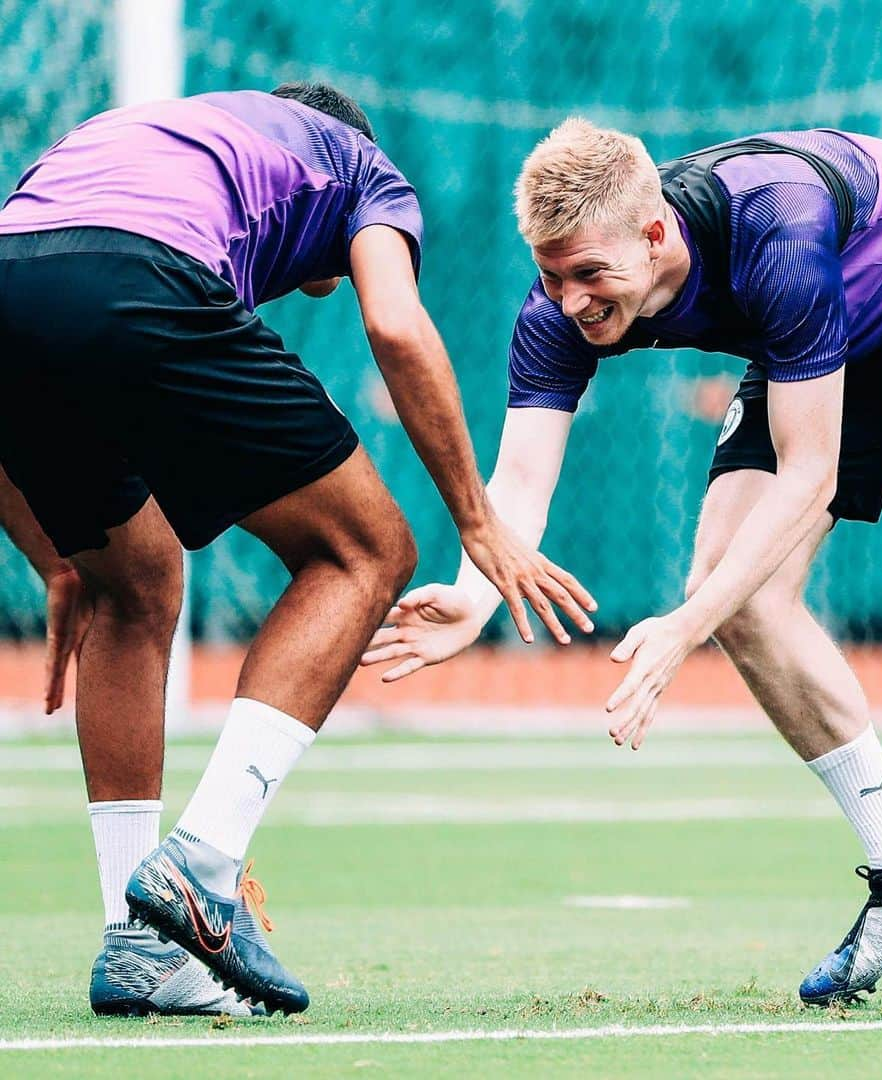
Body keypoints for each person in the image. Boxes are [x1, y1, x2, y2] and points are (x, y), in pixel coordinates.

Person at [362, 119, 882, 1010]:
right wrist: (477, 594)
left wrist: (677, 633)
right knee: (739, 597)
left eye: (590, 274)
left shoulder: (777, 233)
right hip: (824, 332)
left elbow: (810, 478)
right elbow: (518, 481)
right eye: (552, 275)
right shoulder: (558, 312)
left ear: (656, 232)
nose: (571, 300)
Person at [0, 83, 595, 1017]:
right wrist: (478, 524)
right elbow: (396, 324)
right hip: (141, 277)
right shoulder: (361, 166)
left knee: (136, 585)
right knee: (367, 551)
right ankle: (202, 866)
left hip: (14, 282)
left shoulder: (141, 138)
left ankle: (134, 941)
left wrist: (59, 562)